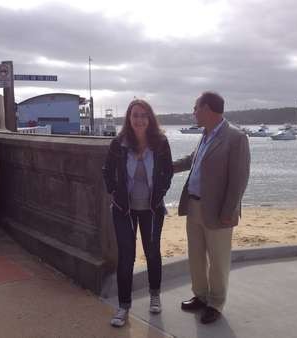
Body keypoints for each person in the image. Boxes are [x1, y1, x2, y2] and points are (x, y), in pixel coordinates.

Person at [173, 91, 250, 324]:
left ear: (207, 109)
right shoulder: (205, 135)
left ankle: (215, 303)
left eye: (195, 108)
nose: (193, 112)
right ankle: (200, 296)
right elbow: (192, 160)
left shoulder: (236, 137)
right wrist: (166, 166)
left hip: (218, 211)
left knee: (218, 259)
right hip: (194, 205)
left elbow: (239, 178)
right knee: (196, 255)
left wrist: (229, 211)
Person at [102, 99, 173, 327]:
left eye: (144, 115)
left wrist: (160, 192)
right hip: (124, 210)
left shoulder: (161, 143)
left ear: (150, 118)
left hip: (152, 209)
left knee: (152, 253)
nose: (139, 119)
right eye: (135, 115)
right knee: (126, 257)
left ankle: (154, 295)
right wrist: (113, 192)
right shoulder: (118, 144)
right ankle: (123, 307)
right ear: (129, 118)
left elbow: (168, 172)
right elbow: (107, 171)